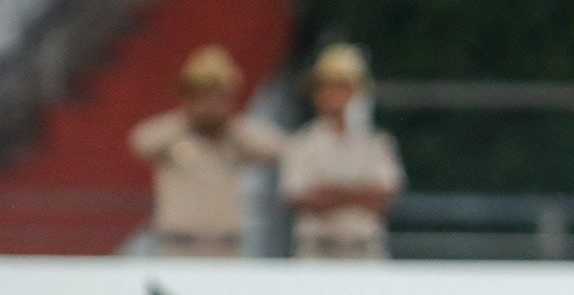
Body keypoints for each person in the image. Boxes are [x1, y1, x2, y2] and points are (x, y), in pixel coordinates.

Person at [129, 45, 284, 257]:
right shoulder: (173, 135)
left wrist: (228, 125)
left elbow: (277, 148)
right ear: (187, 97)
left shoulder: (235, 139)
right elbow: (140, 141)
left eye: (217, 97)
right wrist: (188, 121)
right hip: (178, 246)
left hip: (226, 247)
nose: (209, 105)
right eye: (201, 96)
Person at [280, 44, 404, 260]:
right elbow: (298, 199)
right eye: (329, 87)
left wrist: (331, 193)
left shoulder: (377, 143)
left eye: (343, 87)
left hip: (364, 254)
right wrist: (358, 193)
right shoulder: (301, 143)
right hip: (316, 254)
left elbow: (383, 198)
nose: (335, 95)